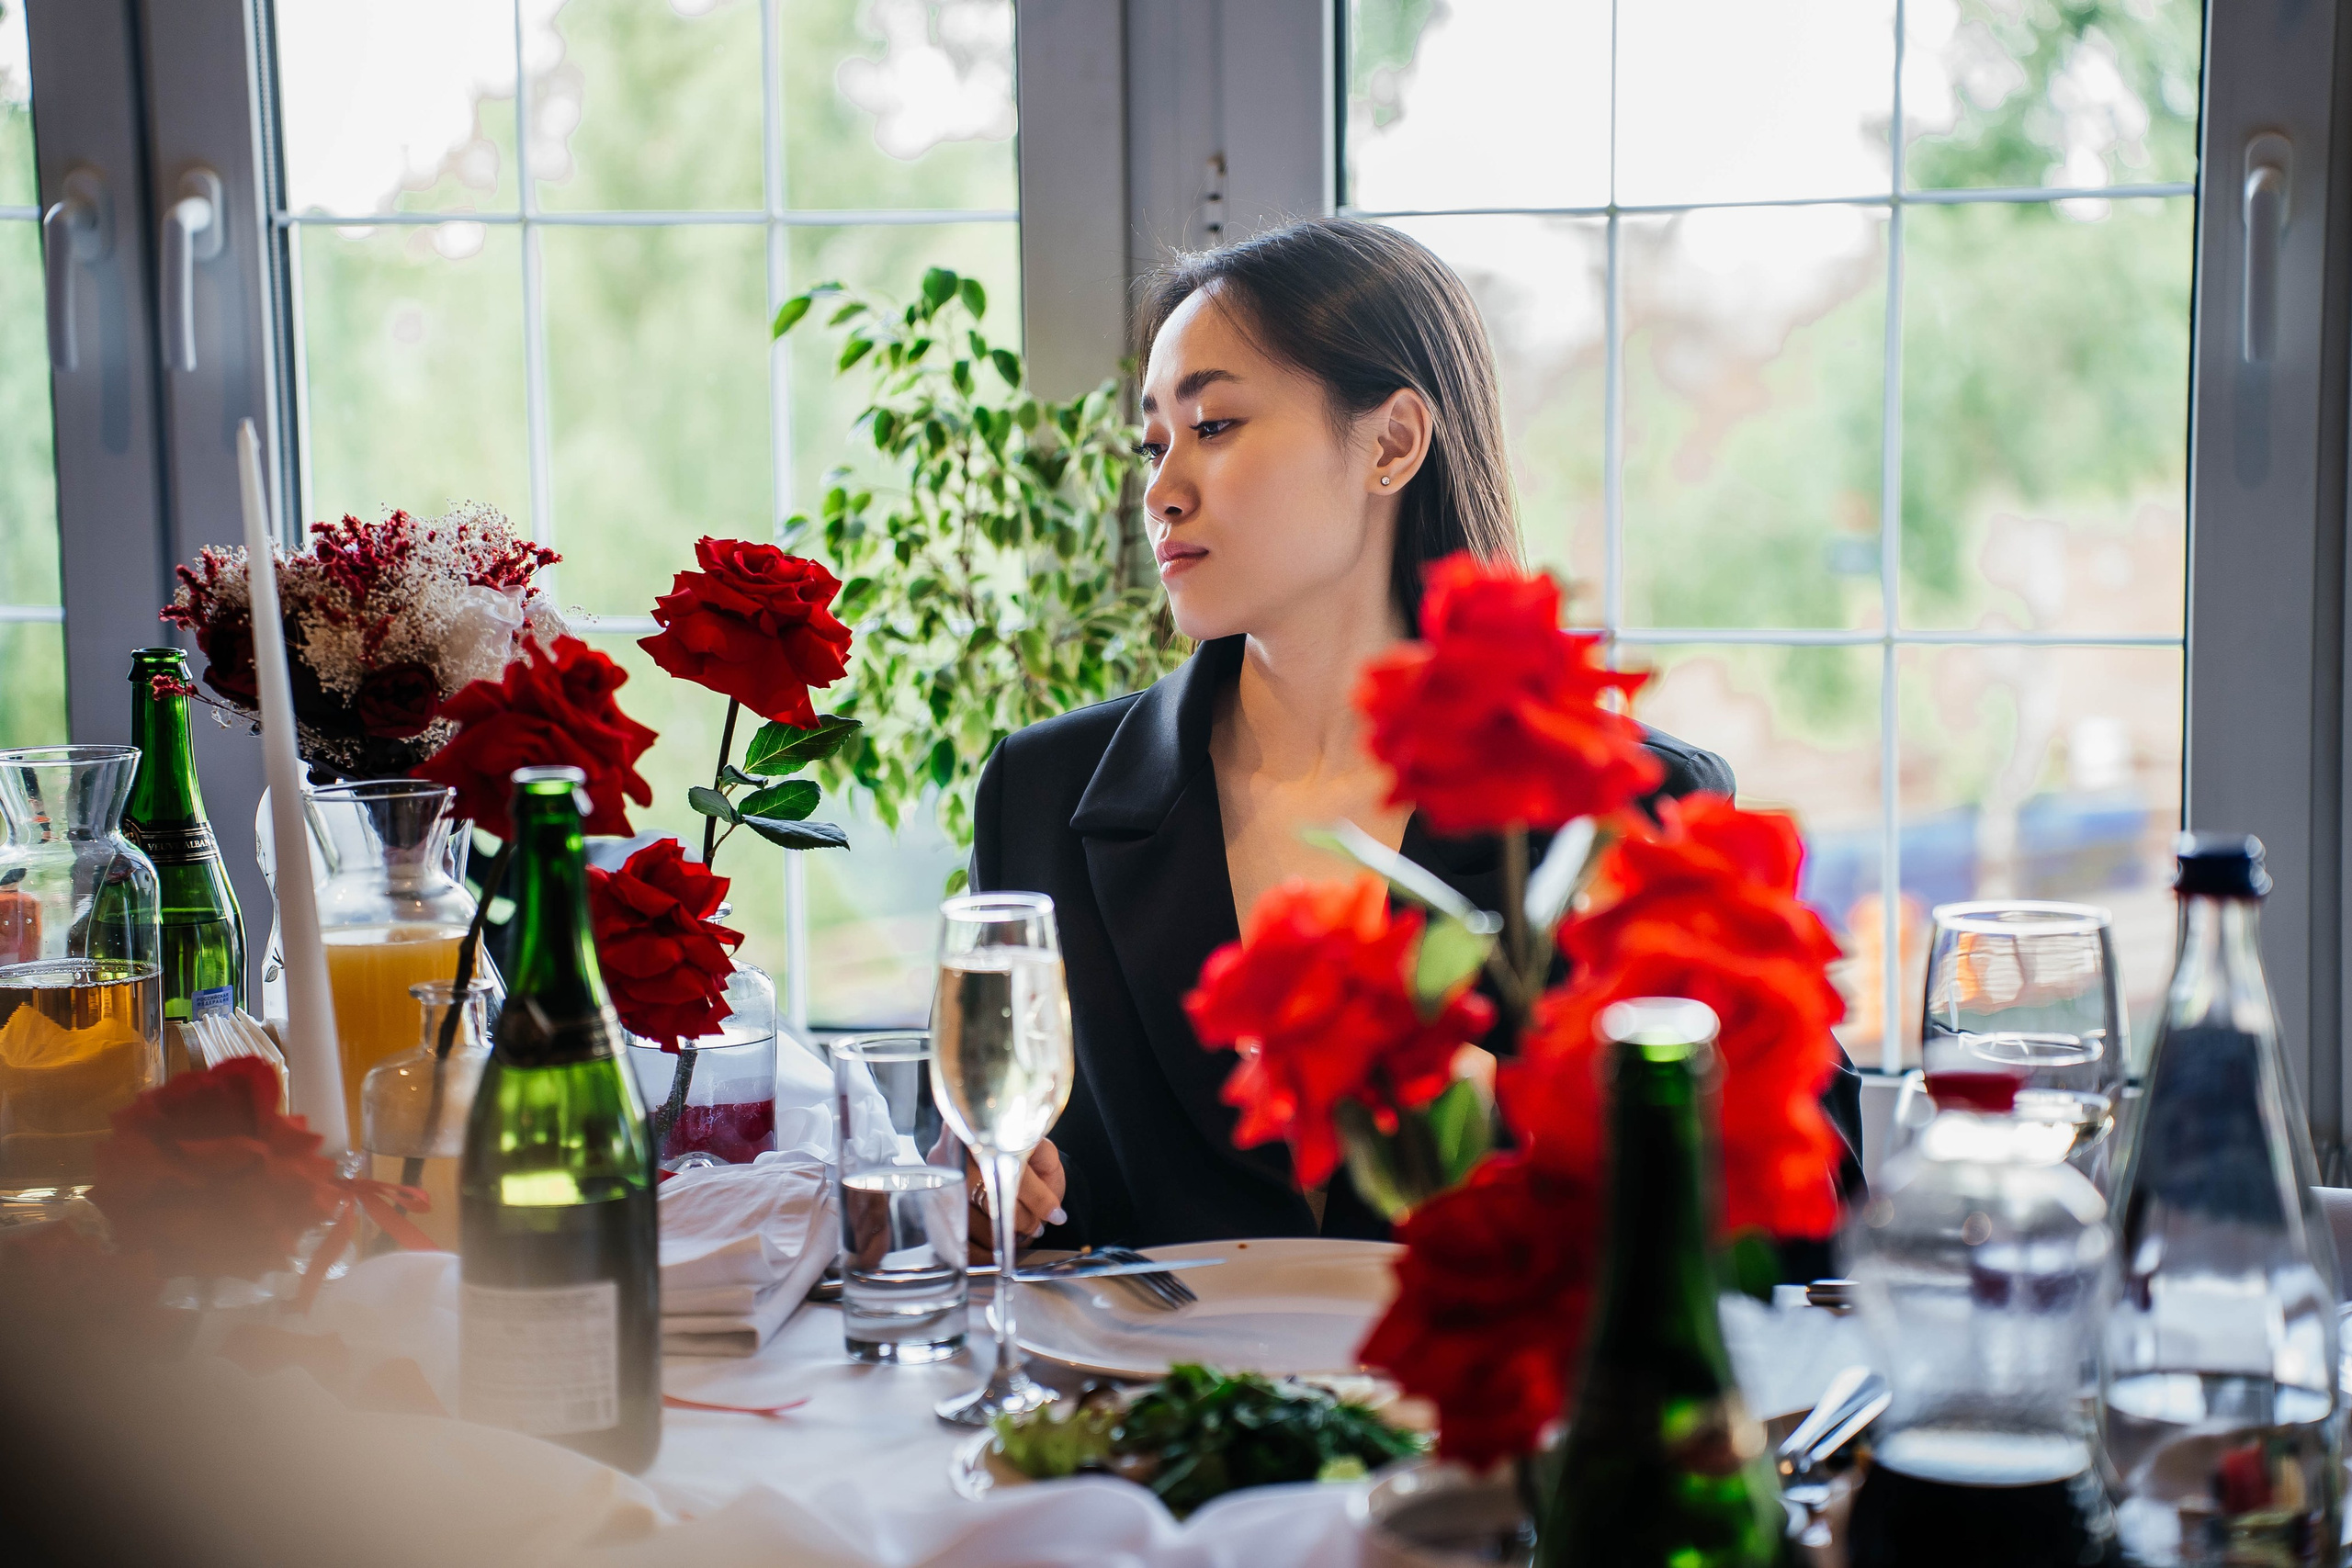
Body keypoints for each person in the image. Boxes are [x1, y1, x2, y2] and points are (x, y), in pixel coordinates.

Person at [964, 217, 1861, 1250]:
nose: (1161, 491)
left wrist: (1569, 1124)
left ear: (1391, 443)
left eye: (1213, 427)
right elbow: (967, 1185)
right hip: (1139, 1412)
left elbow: (1815, 1218)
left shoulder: (1632, 812)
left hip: (1493, 1408)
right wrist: (976, 1197)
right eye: (1153, 442)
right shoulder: (1038, 797)